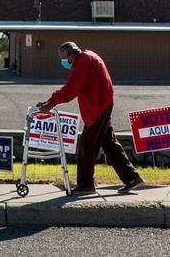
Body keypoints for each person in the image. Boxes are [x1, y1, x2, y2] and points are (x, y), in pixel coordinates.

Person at [38, 41, 142, 194]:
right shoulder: (88, 56)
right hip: (102, 103)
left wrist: (51, 103)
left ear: (72, 54)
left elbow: (72, 88)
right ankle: (131, 178)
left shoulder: (83, 61)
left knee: (87, 146)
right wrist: (49, 102)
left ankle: (86, 185)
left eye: (64, 58)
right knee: (109, 143)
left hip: (97, 107)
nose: (65, 63)